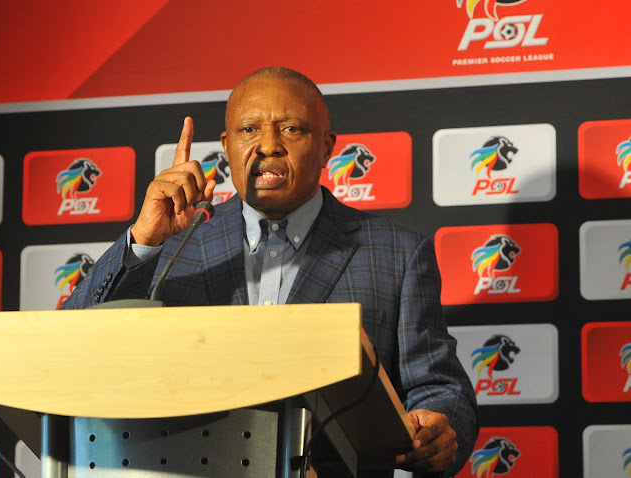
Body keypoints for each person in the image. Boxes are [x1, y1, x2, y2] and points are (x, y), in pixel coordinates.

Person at [60, 66, 479, 476]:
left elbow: (439, 387)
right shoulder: (173, 241)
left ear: (328, 146)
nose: (268, 146)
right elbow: (73, 344)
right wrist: (144, 240)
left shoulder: (397, 255)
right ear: (226, 146)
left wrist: (438, 425)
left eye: (292, 129)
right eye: (248, 131)